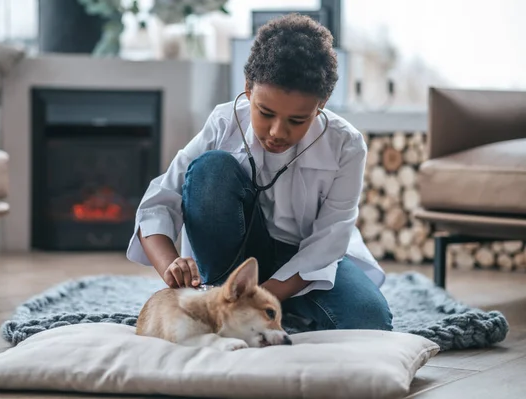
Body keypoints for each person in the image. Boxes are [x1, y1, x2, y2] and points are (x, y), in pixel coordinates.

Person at [127, 14, 393, 332]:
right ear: (248, 89)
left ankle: (273, 308)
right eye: (265, 113)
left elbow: (329, 242)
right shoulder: (224, 122)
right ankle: (235, 300)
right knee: (210, 170)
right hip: (236, 261)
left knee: (368, 319)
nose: (278, 132)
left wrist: (262, 296)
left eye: (297, 120)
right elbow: (160, 201)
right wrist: (171, 264)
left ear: (321, 104)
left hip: (308, 263)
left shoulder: (347, 145)